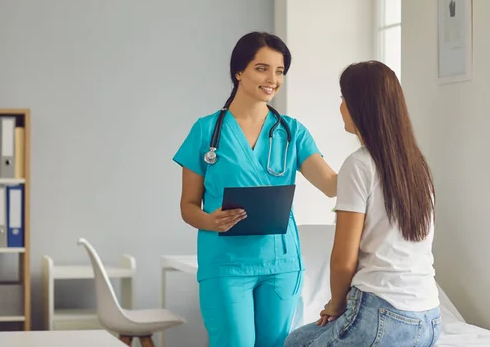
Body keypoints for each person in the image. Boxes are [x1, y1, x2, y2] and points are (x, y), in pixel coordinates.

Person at [173, 31, 338, 347]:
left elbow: (331, 185)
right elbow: (188, 205)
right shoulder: (206, 130)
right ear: (239, 71)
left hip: (281, 265)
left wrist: (376, 158)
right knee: (234, 342)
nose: (272, 79)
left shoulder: (292, 132)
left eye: (279, 71)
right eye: (262, 68)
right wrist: (210, 220)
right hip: (226, 264)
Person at [284, 60, 441, 347]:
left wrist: (335, 304)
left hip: (382, 313)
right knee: (297, 340)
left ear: (360, 105)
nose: (340, 107)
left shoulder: (358, 165)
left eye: (343, 99)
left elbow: (344, 258)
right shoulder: (417, 165)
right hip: (429, 318)